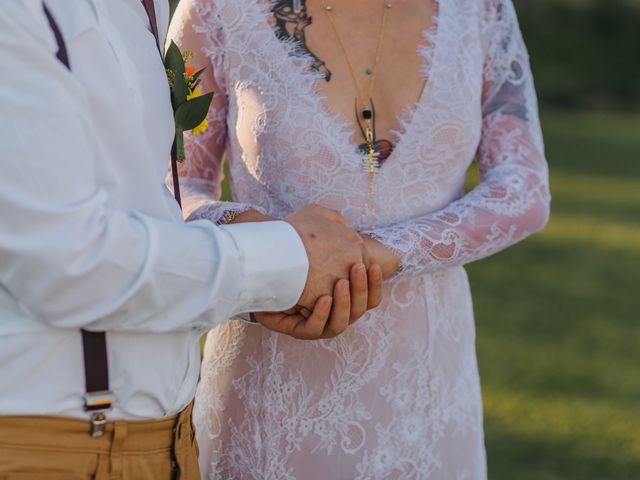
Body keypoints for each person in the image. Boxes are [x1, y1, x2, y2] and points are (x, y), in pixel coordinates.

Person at [0, 1, 383, 478]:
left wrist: (236, 235)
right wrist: (285, 260)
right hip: (53, 445)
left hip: (173, 439)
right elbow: (65, 263)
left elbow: (135, 200)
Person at [170, 0, 551, 477]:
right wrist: (264, 245)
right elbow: (168, 187)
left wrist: (380, 254)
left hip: (429, 393)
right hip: (271, 394)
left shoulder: (482, 10)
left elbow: (523, 187)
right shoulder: (216, 9)